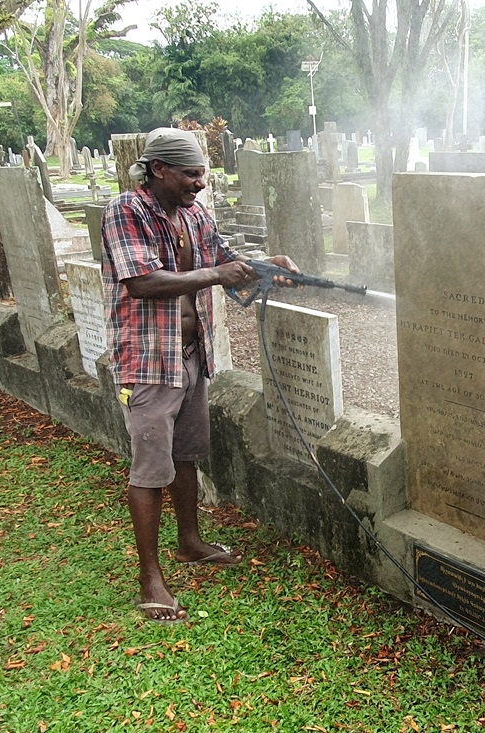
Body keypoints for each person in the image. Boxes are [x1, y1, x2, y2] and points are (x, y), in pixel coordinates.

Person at [101, 127, 298, 623]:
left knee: (186, 454)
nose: (200, 183)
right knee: (150, 468)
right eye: (191, 174)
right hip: (147, 361)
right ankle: (151, 578)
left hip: (190, 353)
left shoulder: (194, 215)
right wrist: (216, 275)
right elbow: (142, 282)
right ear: (159, 170)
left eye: (203, 174)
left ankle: (190, 542)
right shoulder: (126, 211)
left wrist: (264, 264)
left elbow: (225, 259)